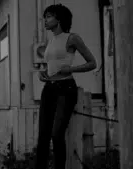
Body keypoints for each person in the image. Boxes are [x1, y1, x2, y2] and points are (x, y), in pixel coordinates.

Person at [34, 4, 97, 169]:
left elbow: (92, 63)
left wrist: (72, 69)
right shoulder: (51, 40)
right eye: (45, 17)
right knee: (43, 136)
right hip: (49, 88)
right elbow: (52, 65)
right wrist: (44, 74)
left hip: (66, 89)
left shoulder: (72, 38)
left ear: (59, 18)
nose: (45, 20)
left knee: (56, 134)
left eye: (49, 16)